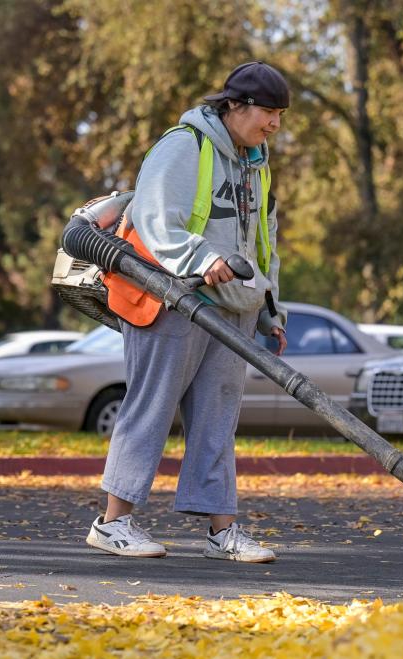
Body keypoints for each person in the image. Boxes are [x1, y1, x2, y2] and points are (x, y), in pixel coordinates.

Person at [85, 61, 290, 563]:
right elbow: (157, 219)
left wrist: (269, 306)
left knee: (218, 418)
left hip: (231, 307)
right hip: (172, 297)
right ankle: (112, 524)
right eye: (268, 112)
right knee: (150, 407)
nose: (275, 125)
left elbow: (264, 241)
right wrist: (205, 260)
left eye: (281, 115)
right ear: (235, 105)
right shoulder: (184, 146)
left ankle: (223, 532)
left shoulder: (256, 164)